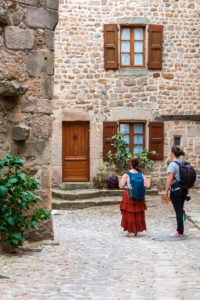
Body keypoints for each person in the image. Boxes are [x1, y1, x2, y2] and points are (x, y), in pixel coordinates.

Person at [120, 158, 147, 237]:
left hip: (129, 195)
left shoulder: (127, 174)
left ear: (131, 164)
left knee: (129, 212)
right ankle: (137, 231)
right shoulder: (141, 174)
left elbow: (122, 184)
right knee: (138, 212)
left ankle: (130, 231)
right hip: (139, 196)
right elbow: (145, 185)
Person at [165, 146, 188, 237]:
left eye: (170, 152)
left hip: (176, 190)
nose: (170, 153)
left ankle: (179, 231)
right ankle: (181, 228)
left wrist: (166, 191)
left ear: (172, 153)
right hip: (183, 189)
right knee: (180, 209)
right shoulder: (182, 162)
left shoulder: (172, 164)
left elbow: (170, 179)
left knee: (178, 211)